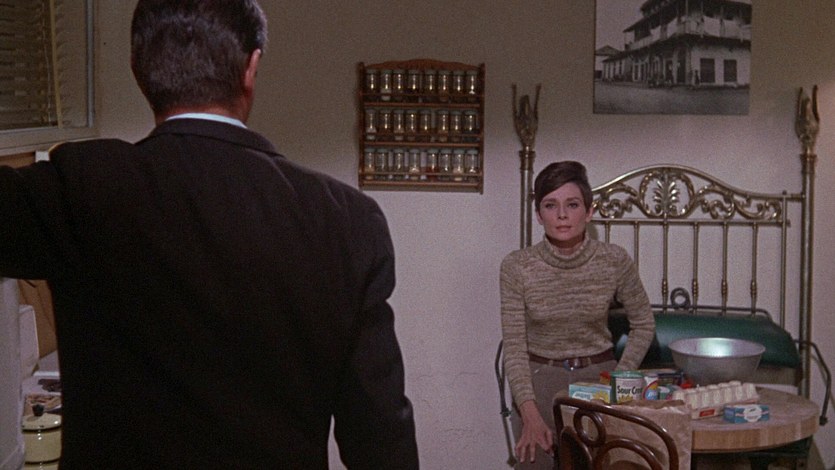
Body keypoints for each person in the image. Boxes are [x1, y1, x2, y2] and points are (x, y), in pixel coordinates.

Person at [0, 1, 418, 468]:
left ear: (138, 69)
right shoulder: (347, 222)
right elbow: (380, 435)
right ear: (251, 68)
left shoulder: (80, 187)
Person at [499, 161, 655, 469]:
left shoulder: (614, 260)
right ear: (538, 214)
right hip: (538, 385)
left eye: (572, 205)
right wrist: (529, 414)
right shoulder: (517, 266)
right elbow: (514, 348)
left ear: (589, 211)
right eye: (550, 205)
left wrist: (620, 381)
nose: (561, 215)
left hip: (599, 382)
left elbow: (644, 323)